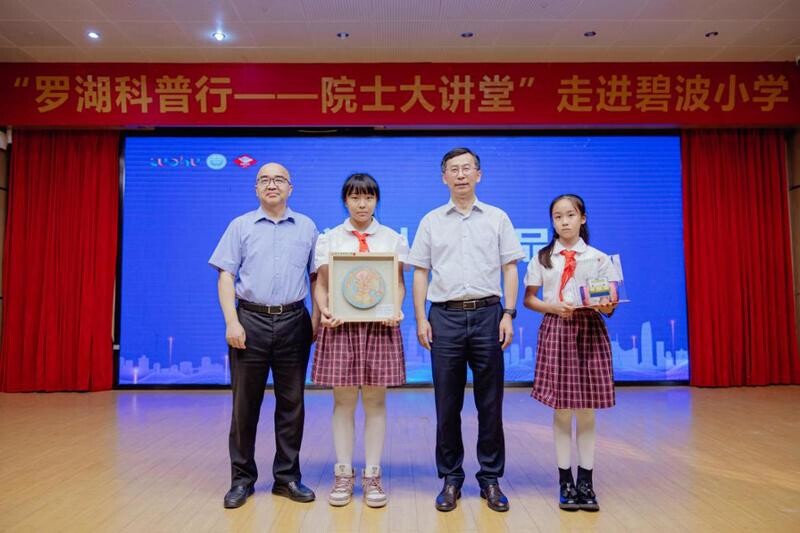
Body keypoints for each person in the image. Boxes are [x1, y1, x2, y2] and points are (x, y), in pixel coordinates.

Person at [406, 147, 524, 513]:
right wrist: (421, 318)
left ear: (479, 174)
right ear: (444, 177)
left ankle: (490, 478)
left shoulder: (497, 218)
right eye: (453, 169)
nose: (461, 175)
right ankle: (451, 478)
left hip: (489, 314)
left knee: (490, 403)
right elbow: (420, 272)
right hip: (445, 317)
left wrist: (509, 313)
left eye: (467, 168)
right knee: (447, 403)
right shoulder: (431, 221)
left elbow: (510, 268)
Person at [209, 162, 319, 509]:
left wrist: (316, 319)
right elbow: (226, 276)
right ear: (256, 189)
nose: (272, 185)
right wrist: (232, 321)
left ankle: (287, 477)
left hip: (294, 320)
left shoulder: (307, 227)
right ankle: (242, 480)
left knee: (292, 404)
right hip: (250, 321)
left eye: (279, 179)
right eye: (264, 180)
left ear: (291, 187)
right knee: (245, 406)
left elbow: (316, 277)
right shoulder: (240, 226)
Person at [312, 173, 407, 508]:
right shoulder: (329, 239)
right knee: (343, 403)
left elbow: (397, 283)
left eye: (368, 197)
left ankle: (372, 475)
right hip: (340, 326)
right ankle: (343, 474)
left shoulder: (393, 239)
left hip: (380, 326)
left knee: (376, 403)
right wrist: (325, 309)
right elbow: (322, 284)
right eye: (355, 197)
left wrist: (395, 308)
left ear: (376, 200)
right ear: (345, 201)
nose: (362, 204)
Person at [522, 193, 619, 512]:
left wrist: (606, 305)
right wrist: (552, 307)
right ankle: (565, 480)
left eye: (570, 215)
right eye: (558, 217)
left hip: (589, 330)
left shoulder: (599, 259)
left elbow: (609, 305)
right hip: (557, 330)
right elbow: (529, 299)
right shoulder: (543, 258)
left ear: (583, 218)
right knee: (562, 409)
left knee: (587, 410)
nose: (564, 222)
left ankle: (586, 481)